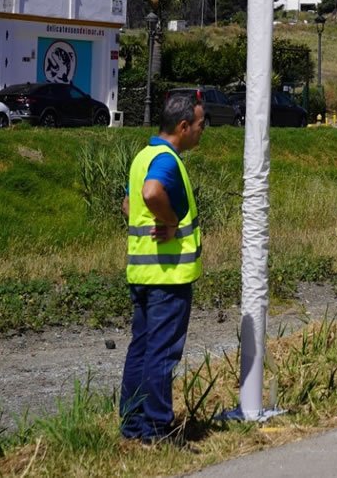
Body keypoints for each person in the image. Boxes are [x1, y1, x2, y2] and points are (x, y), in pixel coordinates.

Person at [119, 93, 206, 443]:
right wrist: (169, 222)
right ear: (183, 127)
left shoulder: (143, 155)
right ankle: (156, 430)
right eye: (200, 125)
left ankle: (132, 426)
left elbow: (128, 204)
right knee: (161, 353)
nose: (202, 131)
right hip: (167, 276)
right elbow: (152, 192)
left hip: (142, 272)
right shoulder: (166, 160)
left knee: (140, 349)